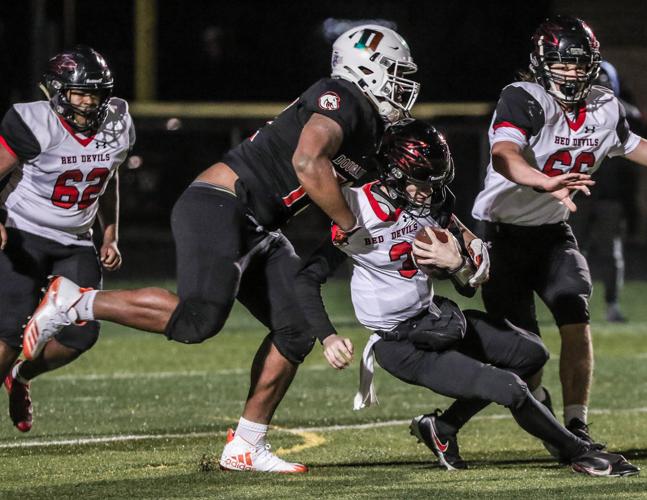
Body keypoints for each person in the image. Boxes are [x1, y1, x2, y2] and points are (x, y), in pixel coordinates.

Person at [21, 25, 420, 473]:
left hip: (258, 225)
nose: (400, 85)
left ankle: (246, 444)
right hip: (220, 204)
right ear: (363, 68)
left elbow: (364, 190)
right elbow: (307, 162)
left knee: (296, 328)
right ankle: (75, 301)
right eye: (393, 72)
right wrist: (348, 227)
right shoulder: (341, 96)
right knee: (196, 321)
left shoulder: (367, 128)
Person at [308, 119, 639, 476]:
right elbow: (306, 275)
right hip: (401, 344)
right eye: (421, 181)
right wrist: (327, 335)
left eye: (435, 181)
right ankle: (580, 454)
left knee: (531, 354)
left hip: (436, 318)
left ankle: (442, 428)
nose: (429, 191)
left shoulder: (430, 203)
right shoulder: (355, 209)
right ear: (392, 173)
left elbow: (467, 286)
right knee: (509, 387)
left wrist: (458, 265)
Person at [471, 15, 647, 447]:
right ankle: (467, 421)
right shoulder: (524, 97)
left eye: (579, 63)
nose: (571, 72)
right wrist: (542, 181)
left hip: (553, 234)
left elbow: (638, 148)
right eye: (561, 62)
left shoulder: (604, 105)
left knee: (576, 319)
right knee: (526, 354)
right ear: (540, 62)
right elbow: (504, 155)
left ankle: (576, 424)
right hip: (501, 234)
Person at [0, 46, 133, 432]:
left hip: (76, 238)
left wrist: (110, 234)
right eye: (80, 93)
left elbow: (108, 177)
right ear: (58, 92)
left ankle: (22, 376)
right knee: (8, 334)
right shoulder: (32, 122)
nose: (89, 102)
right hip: (24, 233)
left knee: (82, 334)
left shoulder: (119, 122)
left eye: (96, 93)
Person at [569, 61, 641, 323]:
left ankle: (611, 303)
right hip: (580, 190)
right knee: (574, 251)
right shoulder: (574, 112)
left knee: (609, 252)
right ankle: (574, 303)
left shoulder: (624, 114)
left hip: (609, 194)